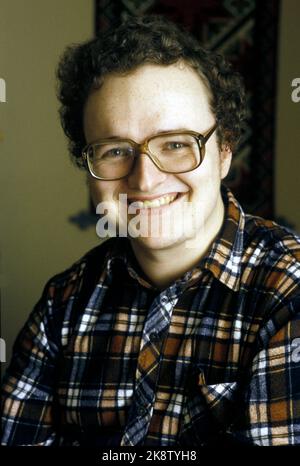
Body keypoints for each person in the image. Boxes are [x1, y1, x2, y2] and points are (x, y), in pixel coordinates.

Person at [1, 14, 300, 447]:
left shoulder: (288, 293)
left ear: (224, 153)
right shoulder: (63, 304)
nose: (144, 179)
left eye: (176, 144)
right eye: (116, 150)